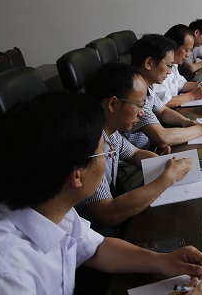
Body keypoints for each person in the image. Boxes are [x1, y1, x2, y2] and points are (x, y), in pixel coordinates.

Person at [0, 92, 202, 295]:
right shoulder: (3, 276)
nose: (108, 158)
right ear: (76, 175)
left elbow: (94, 248)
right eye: (104, 152)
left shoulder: (44, 195)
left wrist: (160, 261)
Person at [79, 62, 193, 228]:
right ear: (113, 104)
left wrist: (161, 163)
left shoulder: (110, 131)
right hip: (92, 233)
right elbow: (108, 213)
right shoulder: (88, 145)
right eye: (139, 105)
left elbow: (135, 154)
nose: (142, 113)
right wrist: (167, 178)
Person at [124, 34, 202, 150]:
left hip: (146, 151)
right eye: (168, 66)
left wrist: (185, 122)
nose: (169, 72)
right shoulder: (135, 94)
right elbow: (162, 138)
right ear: (149, 63)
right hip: (136, 157)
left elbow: (163, 111)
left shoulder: (147, 88)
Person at [154, 24, 202, 108]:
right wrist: (191, 95)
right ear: (173, 46)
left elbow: (180, 84)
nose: (188, 55)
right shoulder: (157, 67)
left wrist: (201, 85)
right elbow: (163, 102)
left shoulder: (174, 64)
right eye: (186, 50)